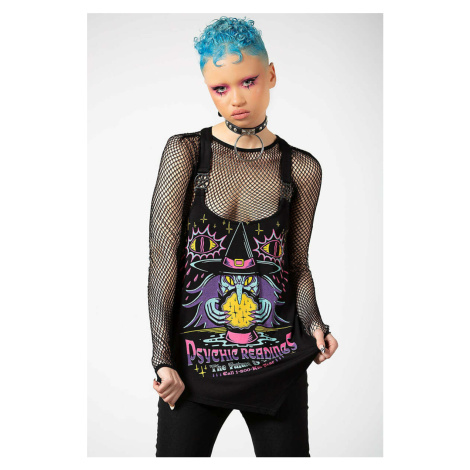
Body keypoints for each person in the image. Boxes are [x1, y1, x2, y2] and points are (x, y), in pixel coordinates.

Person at [147, 16, 338, 457]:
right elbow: (163, 258)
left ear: (270, 75)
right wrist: (162, 358)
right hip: (193, 364)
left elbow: (297, 265)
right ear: (208, 90)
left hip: (276, 360)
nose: (236, 99)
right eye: (220, 88)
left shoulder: (302, 168)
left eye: (248, 81)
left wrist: (315, 324)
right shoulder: (186, 153)